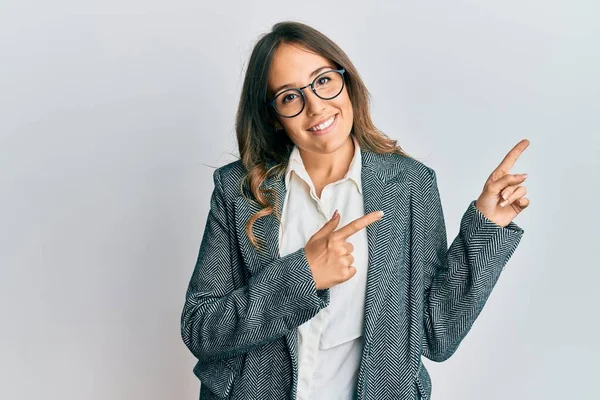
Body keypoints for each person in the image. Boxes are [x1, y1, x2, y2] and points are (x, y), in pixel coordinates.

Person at [180, 21, 529, 400]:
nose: (315, 107)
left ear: (347, 81)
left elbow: (435, 334)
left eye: (323, 81)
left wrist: (487, 226)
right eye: (289, 97)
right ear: (274, 117)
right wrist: (303, 275)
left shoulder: (409, 185)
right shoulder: (239, 191)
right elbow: (201, 328)